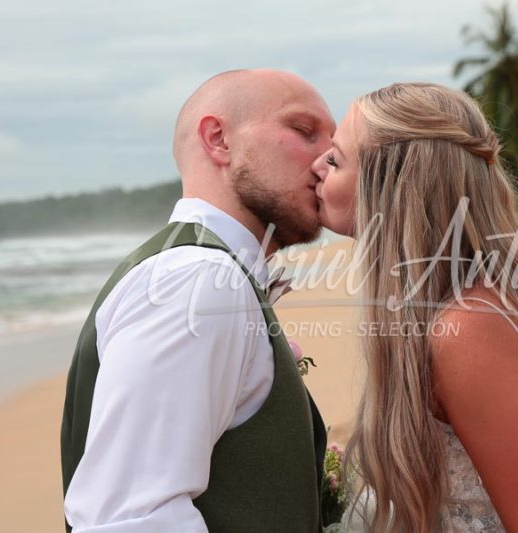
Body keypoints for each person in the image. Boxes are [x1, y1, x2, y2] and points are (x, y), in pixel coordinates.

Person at [311, 82, 518, 532]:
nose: (316, 166)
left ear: (392, 187)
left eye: (334, 159)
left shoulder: (468, 330)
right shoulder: (440, 313)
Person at [60, 69, 335, 533]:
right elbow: (131, 518)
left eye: (333, 142)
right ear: (218, 140)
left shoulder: (213, 273)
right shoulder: (198, 278)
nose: (328, 157)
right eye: (304, 130)